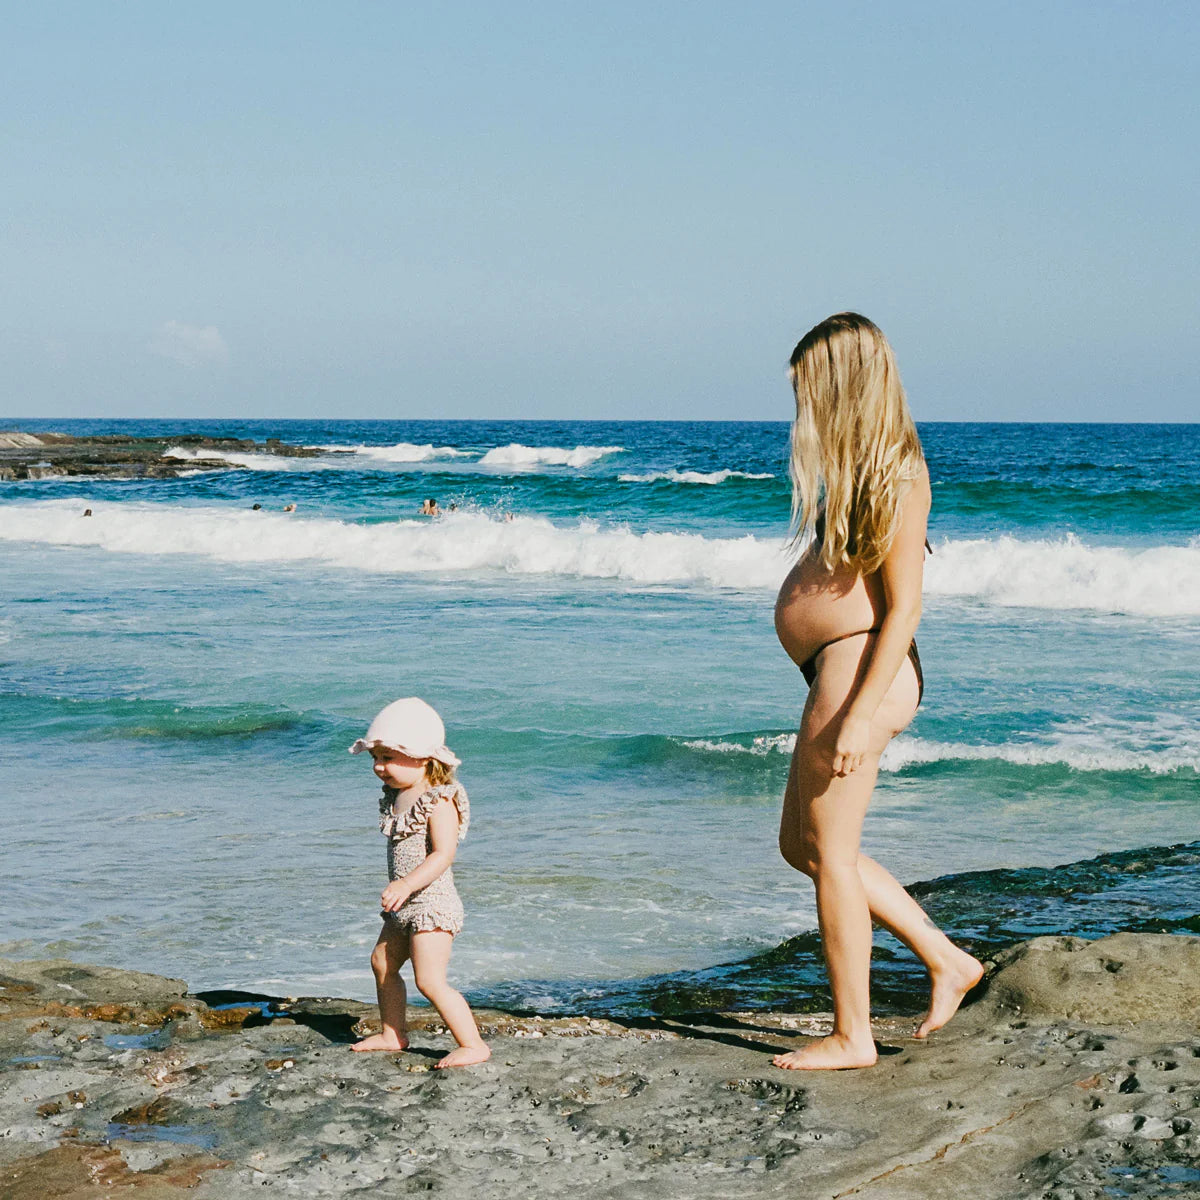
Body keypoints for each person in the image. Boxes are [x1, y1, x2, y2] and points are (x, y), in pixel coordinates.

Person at [771, 313, 983, 1071]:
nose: (803, 406)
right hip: (839, 667)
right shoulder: (861, 473)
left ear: (843, 386)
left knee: (831, 857)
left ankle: (853, 1035)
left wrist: (859, 716)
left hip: (862, 670)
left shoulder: (897, 473)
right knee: (803, 847)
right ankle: (946, 959)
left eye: (809, 389)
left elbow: (905, 610)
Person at [347, 697, 490, 1068]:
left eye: (388, 758)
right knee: (382, 962)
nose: (379, 767)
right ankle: (393, 1033)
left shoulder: (439, 800)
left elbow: (443, 854)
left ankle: (473, 1044)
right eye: (375, 758)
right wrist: (403, 891)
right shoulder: (397, 795)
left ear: (424, 757)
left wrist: (406, 885)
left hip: (432, 905)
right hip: (404, 904)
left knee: (429, 980)